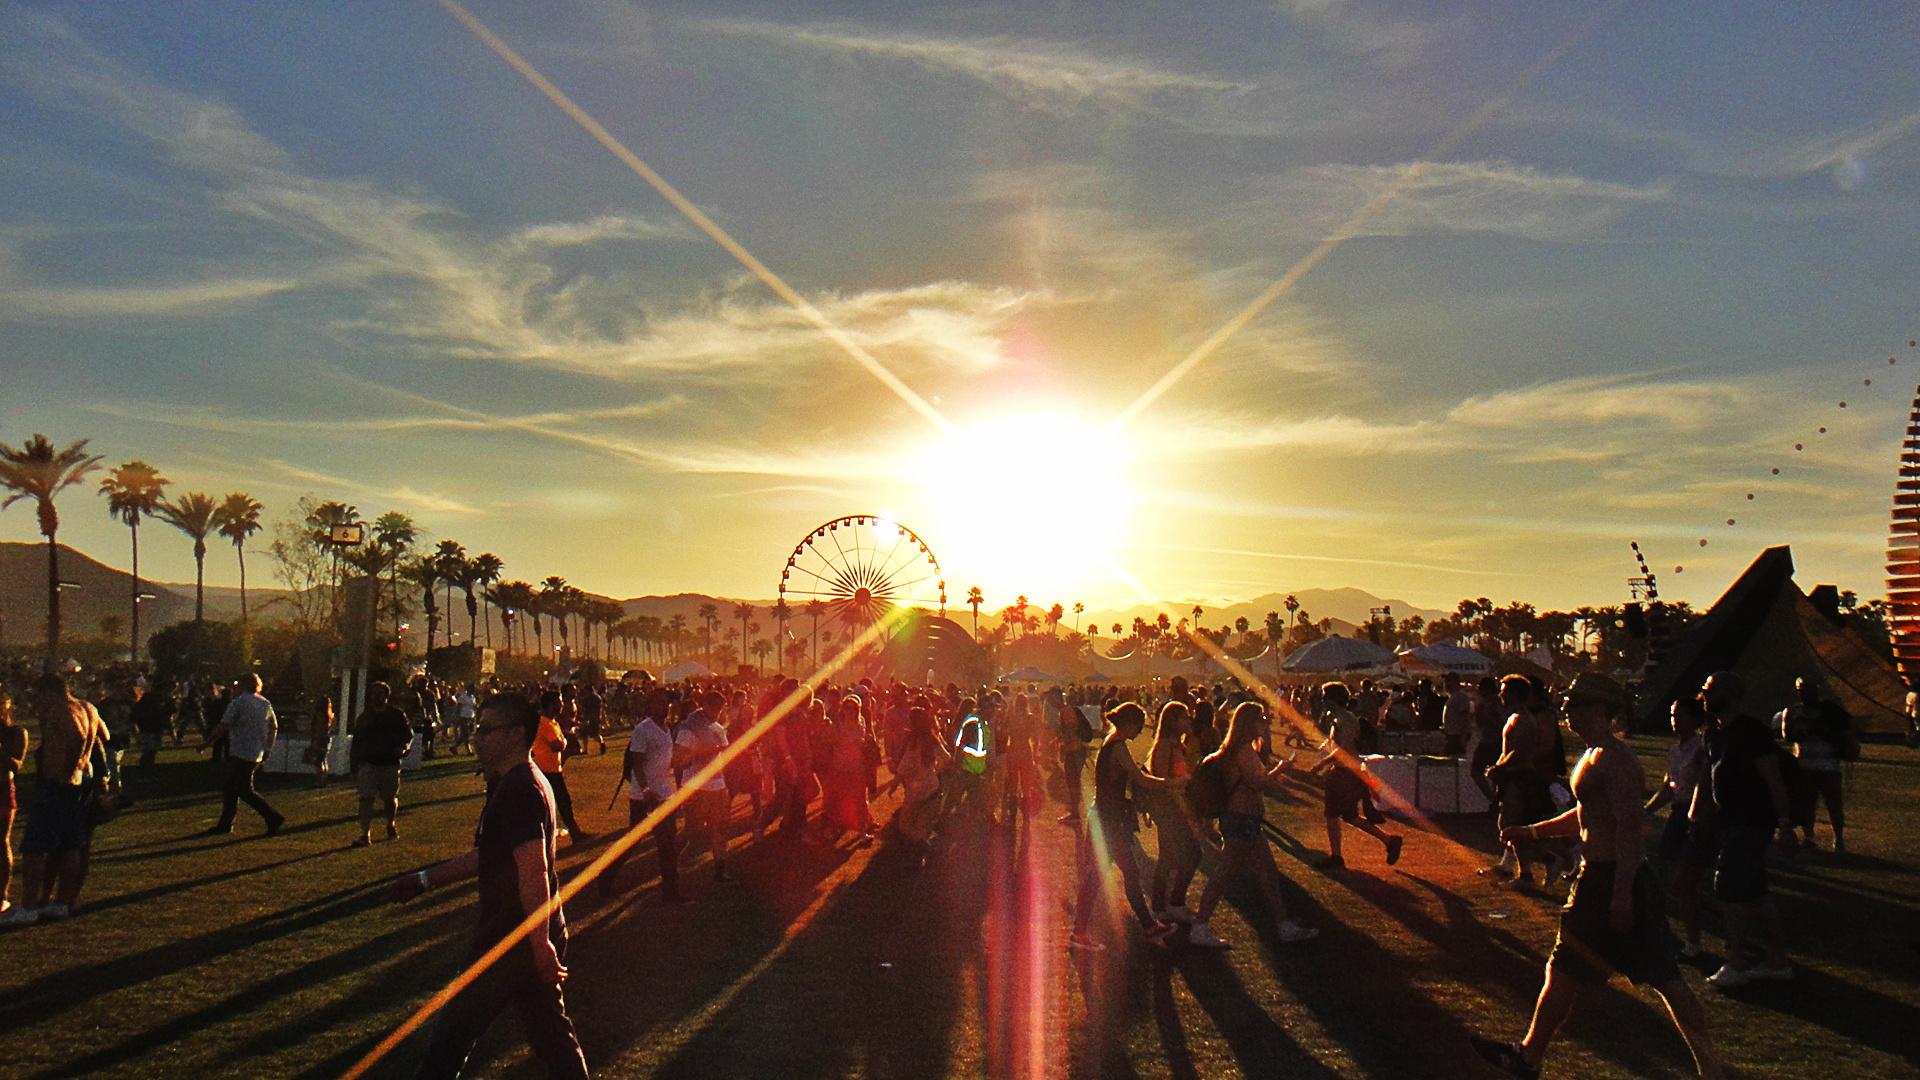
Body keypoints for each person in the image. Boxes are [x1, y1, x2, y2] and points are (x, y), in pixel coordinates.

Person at [1469, 674, 1725, 1080]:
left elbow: (1629, 828)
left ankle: (1529, 1057)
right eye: (1569, 703)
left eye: (1577, 704)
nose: (1568, 711)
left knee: (1661, 978)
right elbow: (1588, 817)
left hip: (1613, 879)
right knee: (1578, 970)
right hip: (1602, 878)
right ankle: (1529, 1056)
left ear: (1601, 711)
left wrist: (1621, 895)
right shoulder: (1594, 754)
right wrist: (1534, 831)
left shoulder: (1615, 759)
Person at [386, 692, 589, 1080]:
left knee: (451, 1039)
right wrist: (425, 880)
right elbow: (491, 856)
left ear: (515, 734)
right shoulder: (517, 783)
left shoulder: (521, 789)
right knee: (552, 1040)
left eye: (486, 730)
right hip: (524, 934)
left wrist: (539, 940)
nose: (477, 738)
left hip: (511, 936)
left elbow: (534, 870)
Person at [1691, 671, 1798, 988]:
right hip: (1730, 821)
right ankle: (1777, 961)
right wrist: (1699, 816)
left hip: (1751, 822)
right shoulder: (1715, 734)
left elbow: (1773, 779)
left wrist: (1785, 824)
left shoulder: (1752, 732)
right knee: (1756, 891)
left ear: (1732, 694)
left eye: (1710, 689)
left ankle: (1736, 960)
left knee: (1729, 887)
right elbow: (1710, 778)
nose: (1705, 695)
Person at [1187, 701, 1318, 949]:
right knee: (1225, 874)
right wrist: (1281, 768)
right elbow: (1257, 783)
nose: (1266, 722)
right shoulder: (1243, 750)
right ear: (1250, 723)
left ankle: (1283, 924)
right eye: (1261, 719)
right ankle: (1200, 925)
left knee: (1266, 874)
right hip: (1241, 821)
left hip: (1244, 821)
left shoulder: (1237, 748)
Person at [1069, 703, 1178, 951]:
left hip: (1106, 817)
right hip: (1110, 821)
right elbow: (1140, 780)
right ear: (1130, 724)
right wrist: (1171, 784)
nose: (1140, 731)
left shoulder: (1111, 742)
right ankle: (1080, 933)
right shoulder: (1117, 746)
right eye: (1139, 726)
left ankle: (1148, 926)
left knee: (1121, 873)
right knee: (1103, 875)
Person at [1310, 683, 1404, 871]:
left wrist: (1321, 764)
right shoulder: (1344, 718)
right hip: (1350, 770)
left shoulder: (1342, 720)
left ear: (1333, 699)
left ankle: (1337, 856)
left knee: (1332, 813)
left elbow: (1342, 750)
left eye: (1324, 697)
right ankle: (1388, 840)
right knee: (1349, 815)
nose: (1322, 700)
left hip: (1344, 771)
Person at [1648, 696, 1712, 957]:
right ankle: (1730, 917)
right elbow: (1668, 788)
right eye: (1673, 716)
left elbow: (1704, 784)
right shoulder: (1675, 750)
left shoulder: (1700, 748)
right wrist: (1645, 811)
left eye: (1680, 715)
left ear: (1696, 719)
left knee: (1682, 884)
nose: (1674, 721)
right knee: (1679, 886)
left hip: (1694, 816)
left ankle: (1694, 942)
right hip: (1678, 815)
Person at [607, 696, 684, 903]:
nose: (665, 707)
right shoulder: (643, 729)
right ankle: (606, 875)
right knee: (633, 842)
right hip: (644, 797)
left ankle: (671, 890)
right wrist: (646, 789)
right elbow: (637, 764)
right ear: (651, 705)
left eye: (667, 703)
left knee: (667, 843)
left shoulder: (668, 728)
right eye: (660, 703)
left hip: (665, 794)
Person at [1481, 675, 1553, 886]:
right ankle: (1523, 872)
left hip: (1520, 777)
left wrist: (1498, 767)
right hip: (1511, 777)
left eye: (1504, 690)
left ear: (1514, 693)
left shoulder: (1523, 719)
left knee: (1511, 827)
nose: (1501, 694)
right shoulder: (1513, 716)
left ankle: (1545, 862)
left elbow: (1518, 751)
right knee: (1510, 826)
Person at [1144, 701, 1204, 924]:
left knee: (1178, 856)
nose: (1188, 721)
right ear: (1172, 721)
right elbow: (1159, 779)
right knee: (1175, 857)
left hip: (1178, 806)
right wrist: (1180, 783)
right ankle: (1164, 905)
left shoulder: (1177, 745)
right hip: (1168, 808)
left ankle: (1172, 903)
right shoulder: (1165, 746)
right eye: (1184, 717)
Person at [1774, 678, 1850, 855]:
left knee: (1834, 805)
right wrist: (1806, 732)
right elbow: (1788, 735)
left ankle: (1838, 839)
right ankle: (1809, 837)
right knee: (1807, 804)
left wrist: (1826, 732)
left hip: (1829, 764)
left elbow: (1844, 731)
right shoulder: (1793, 712)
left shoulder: (1829, 711)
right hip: (1805, 764)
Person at [203, 674, 284, 838]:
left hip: (241, 750)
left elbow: (223, 725)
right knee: (231, 788)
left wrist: (208, 742)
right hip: (256, 751)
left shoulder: (238, 703)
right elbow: (273, 726)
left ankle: (273, 817)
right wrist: (268, 747)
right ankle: (225, 823)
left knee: (244, 790)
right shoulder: (264, 703)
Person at [676, 691, 734, 883]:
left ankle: (720, 871)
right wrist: (709, 751)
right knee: (692, 829)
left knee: (720, 829)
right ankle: (668, 861)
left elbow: (723, 753)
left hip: (717, 784)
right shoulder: (689, 727)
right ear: (704, 705)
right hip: (696, 785)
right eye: (714, 707)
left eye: (720, 708)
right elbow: (679, 758)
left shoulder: (717, 728)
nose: (717, 712)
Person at [353, 684, 414, 846]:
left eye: (380, 694)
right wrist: (355, 763)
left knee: (389, 798)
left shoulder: (396, 715)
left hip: (389, 762)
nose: (376, 697)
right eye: (374, 694)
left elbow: (408, 734)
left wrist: (403, 747)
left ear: (386, 696)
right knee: (366, 798)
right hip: (369, 762)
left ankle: (390, 824)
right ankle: (365, 834)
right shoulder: (365, 717)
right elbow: (357, 741)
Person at [534, 692, 589, 842]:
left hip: (552, 768)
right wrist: (565, 742)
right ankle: (574, 833)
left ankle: (573, 832)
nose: (562, 706)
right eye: (559, 702)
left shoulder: (553, 723)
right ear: (551, 704)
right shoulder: (545, 723)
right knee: (561, 802)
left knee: (560, 802)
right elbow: (557, 746)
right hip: (546, 770)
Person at [1, 687, 28, 917]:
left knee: (1, 843)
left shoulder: (15, 732)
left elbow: (16, 765)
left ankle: (2, 896)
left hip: (1, 790)